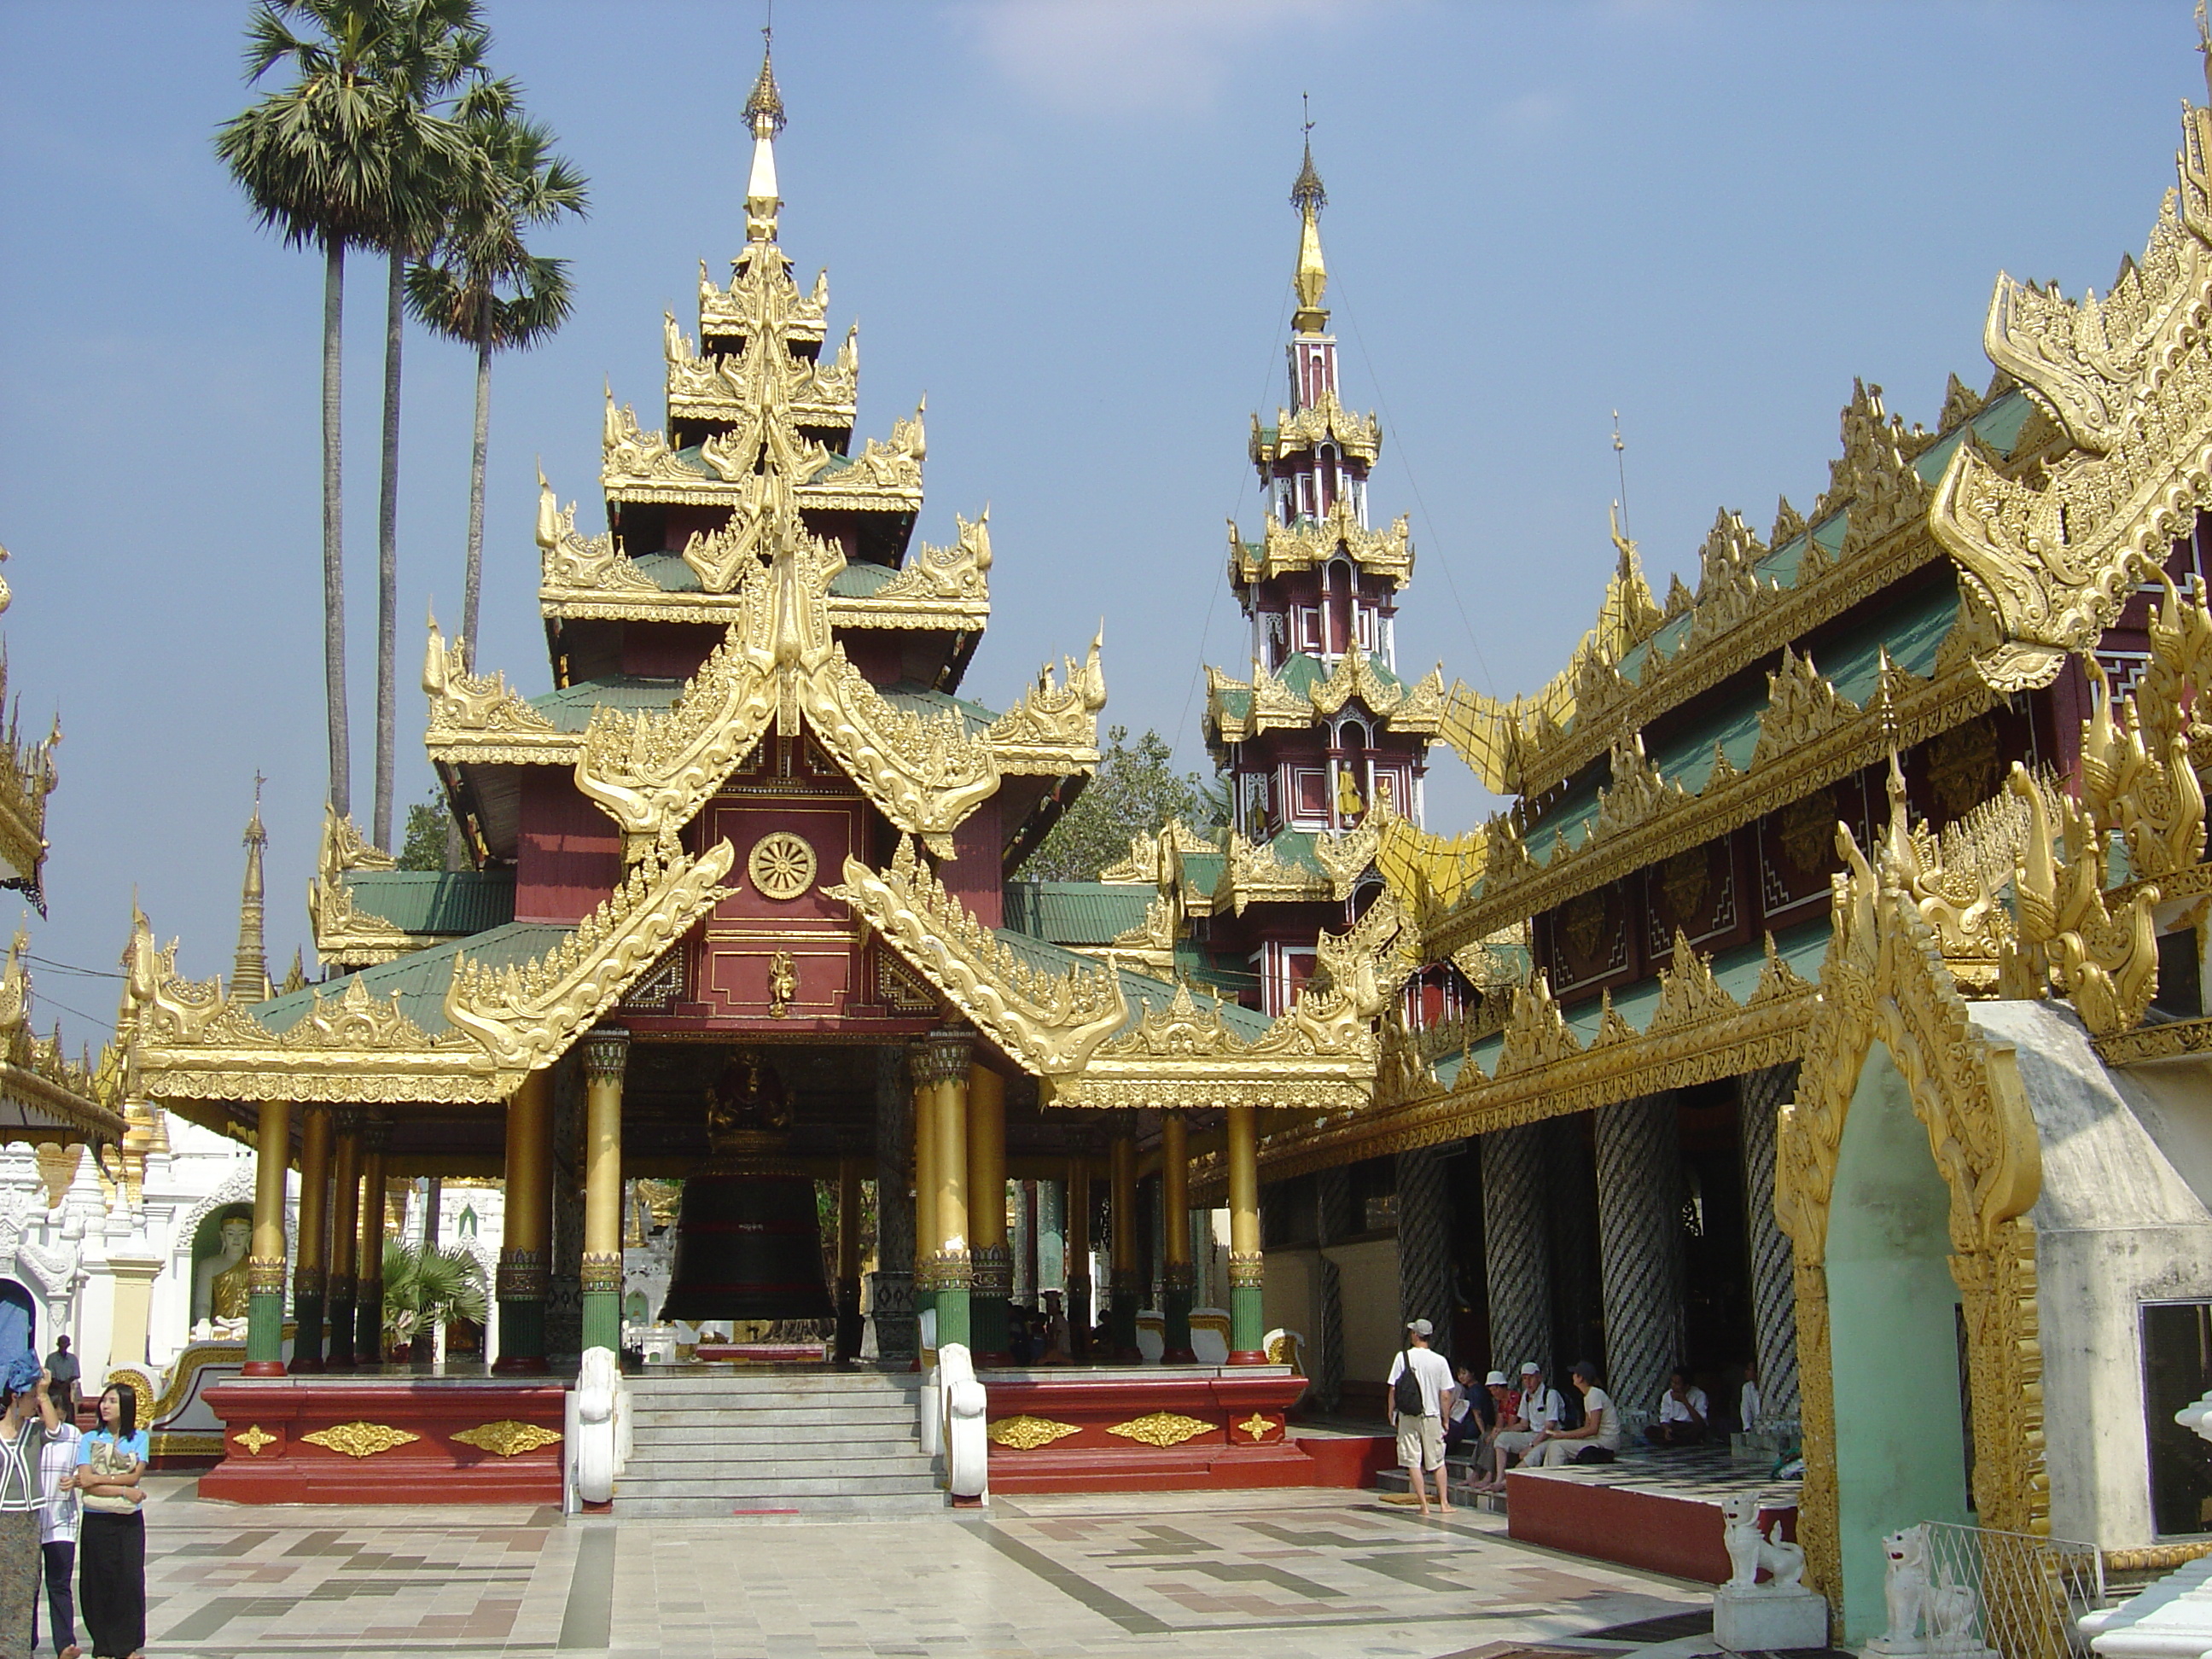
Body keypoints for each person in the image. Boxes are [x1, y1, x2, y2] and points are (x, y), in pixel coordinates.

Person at [73, 1384, 145, 1659]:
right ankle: (102, 1645)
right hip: (97, 1520)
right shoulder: (88, 1439)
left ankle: (127, 1646)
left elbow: (133, 1476)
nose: (105, 1406)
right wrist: (124, 1490)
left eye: (112, 1402)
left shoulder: (139, 1438)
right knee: (97, 1582)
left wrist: (104, 1480)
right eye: (104, 1401)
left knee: (128, 1581)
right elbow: (86, 1483)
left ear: (125, 1407)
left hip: (128, 1522)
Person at [0, 1356, 63, 1659]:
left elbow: (56, 1430)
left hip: (26, 1521)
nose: (34, 1405)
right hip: (1, 1519)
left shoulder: (33, 1432)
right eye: (29, 1398)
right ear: (15, 1397)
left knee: (23, 1592)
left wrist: (43, 1392)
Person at [1384, 1319, 1456, 1516]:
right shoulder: (1440, 1361)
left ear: (1416, 1335)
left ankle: (1423, 1505)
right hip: (1431, 1415)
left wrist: (1391, 1411)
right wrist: (1446, 1418)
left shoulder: (1403, 1357)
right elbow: (1445, 1394)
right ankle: (1444, 1503)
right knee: (1438, 1460)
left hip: (1408, 1415)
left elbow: (1393, 1388)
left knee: (1412, 1460)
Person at [32, 1393, 79, 1659]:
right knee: (29, 1584)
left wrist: (75, 1480)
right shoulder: (27, 1433)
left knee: (59, 1584)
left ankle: (64, 1643)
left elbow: (83, 1469)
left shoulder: (72, 1436)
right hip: (30, 1521)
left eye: (48, 1408)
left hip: (61, 1521)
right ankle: (27, 1638)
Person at [1528, 1361, 1622, 1467]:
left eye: (1574, 1374)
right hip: (1596, 1439)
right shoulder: (1588, 1396)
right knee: (1554, 1443)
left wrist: (1565, 1435)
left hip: (1607, 1443)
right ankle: (1546, 1477)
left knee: (1557, 1446)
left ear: (1580, 1378)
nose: (1572, 1377)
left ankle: (1554, 1479)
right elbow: (1587, 1426)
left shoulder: (1594, 1394)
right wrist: (1566, 1436)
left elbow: (1593, 1429)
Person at [1648, 1365, 1710, 1447]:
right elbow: (1664, 1417)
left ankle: (1677, 1442)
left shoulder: (1699, 1395)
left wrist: (1684, 1401)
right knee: (1649, 1430)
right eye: (1672, 1382)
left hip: (1690, 1426)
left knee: (1697, 1430)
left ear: (1687, 1386)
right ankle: (1678, 1441)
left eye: (1677, 1384)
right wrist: (1667, 1428)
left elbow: (1700, 1422)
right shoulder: (1667, 1395)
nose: (1673, 1386)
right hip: (1675, 1427)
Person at [36, 1348, 73, 1430]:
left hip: (67, 1386)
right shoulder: (51, 1358)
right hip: (53, 1385)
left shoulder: (72, 1358)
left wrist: (65, 1384)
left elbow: (75, 1374)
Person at [1738, 1358, 1762, 1434]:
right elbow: (1745, 1409)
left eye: (1749, 1370)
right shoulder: (1747, 1388)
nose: (1746, 1372)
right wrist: (1747, 1428)